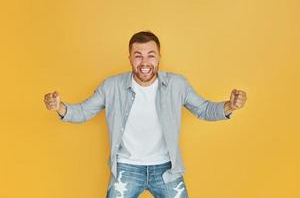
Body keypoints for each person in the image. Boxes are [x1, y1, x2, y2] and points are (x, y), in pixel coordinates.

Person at [44, 31, 247, 198]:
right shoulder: (112, 86)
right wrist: (60, 107)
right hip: (126, 168)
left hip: (166, 169)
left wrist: (230, 106)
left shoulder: (176, 85)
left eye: (151, 55)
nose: (144, 62)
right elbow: (83, 111)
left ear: (159, 57)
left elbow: (204, 109)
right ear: (130, 58)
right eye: (138, 55)